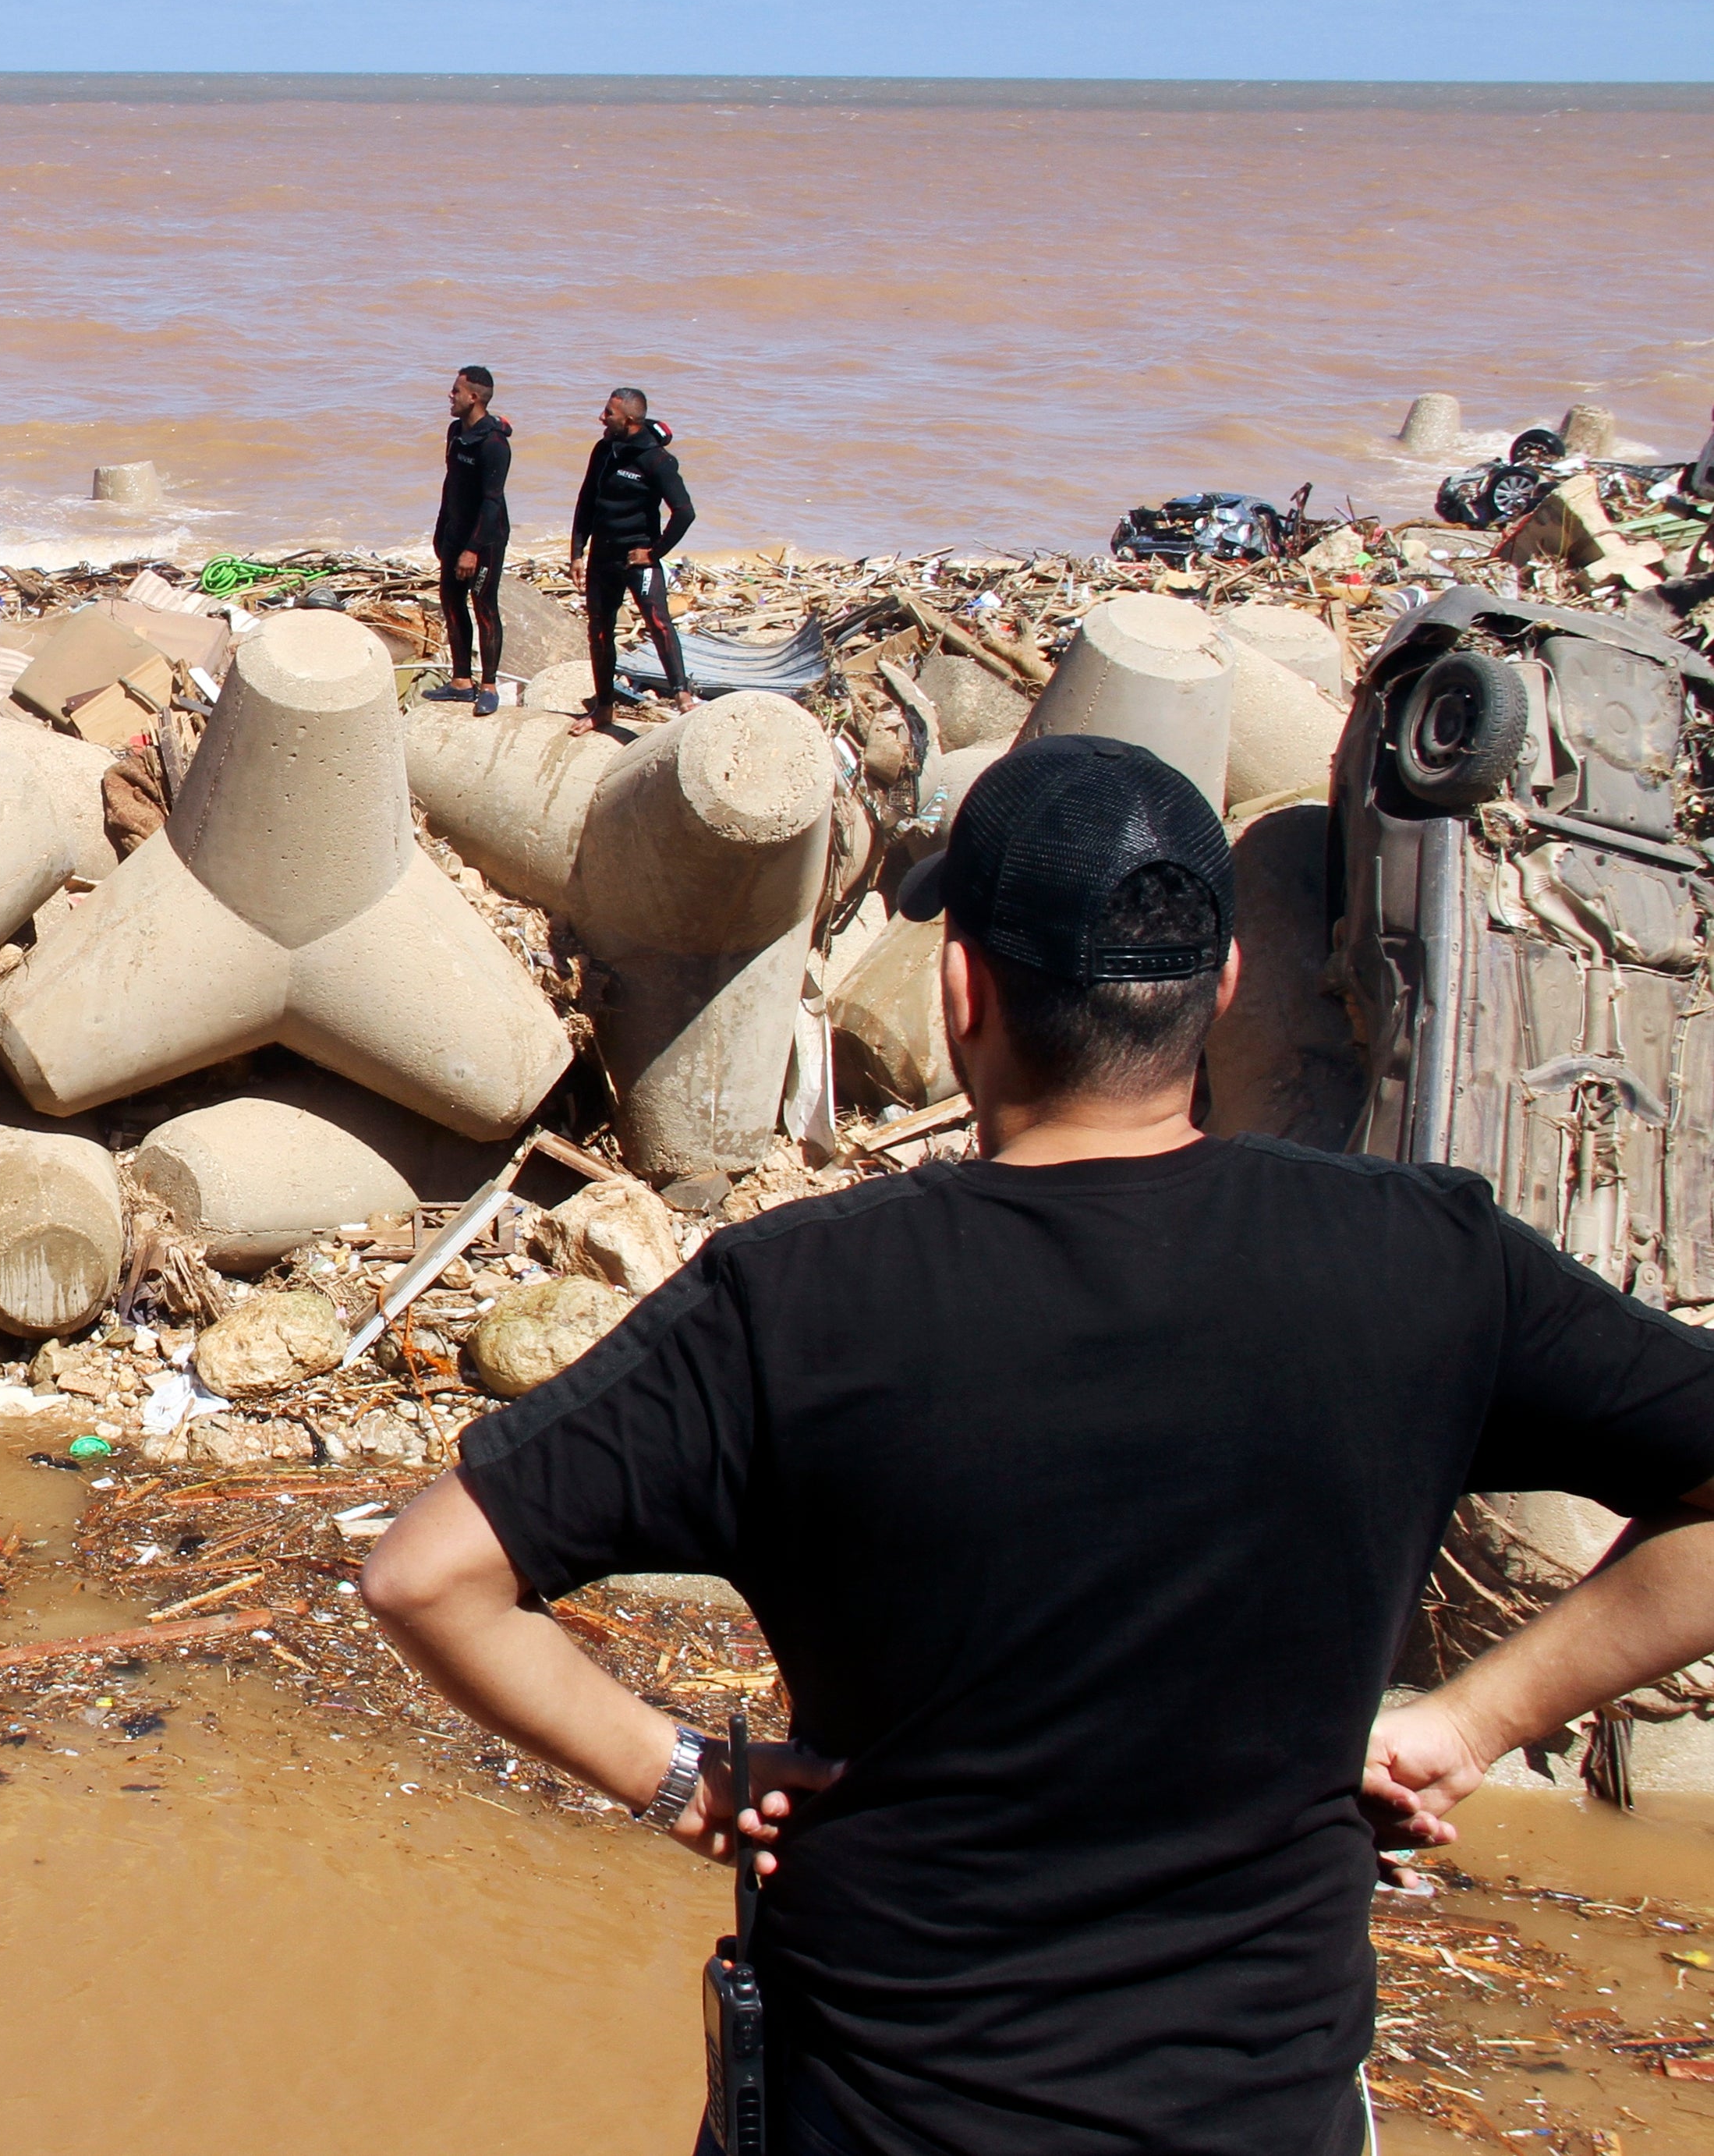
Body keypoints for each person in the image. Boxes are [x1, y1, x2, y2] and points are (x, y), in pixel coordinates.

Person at [359, 735, 1714, 2156]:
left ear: (962, 992)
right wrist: (1473, 1719)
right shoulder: (1425, 1257)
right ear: (1225, 988)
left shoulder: (800, 1297)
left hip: (882, 2113)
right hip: (1266, 2112)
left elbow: (425, 1573)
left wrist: (682, 1772)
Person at [565, 386, 695, 733]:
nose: (602, 418)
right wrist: (577, 551)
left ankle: (683, 697)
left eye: (609, 413)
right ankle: (603, 708)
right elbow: (586, 500)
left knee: (658, 622)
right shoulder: (605, 450)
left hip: (638, 557)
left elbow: (684, 512)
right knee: (600, 631)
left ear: (631, 420)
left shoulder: (657, 460)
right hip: (602, 557)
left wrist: (654, 552)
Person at [430, 365, 513, 712]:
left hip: (485, 540)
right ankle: (461, 681)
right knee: (451, 601)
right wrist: (441, 531)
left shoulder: (494, 444)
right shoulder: (455, 432)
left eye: (456, 391)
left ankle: (490, 686)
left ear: (474, 397)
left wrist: (472, 550)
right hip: (455, 533)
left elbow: (492, 502)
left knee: (484, 607)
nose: (450, 396)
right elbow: (451, 486)